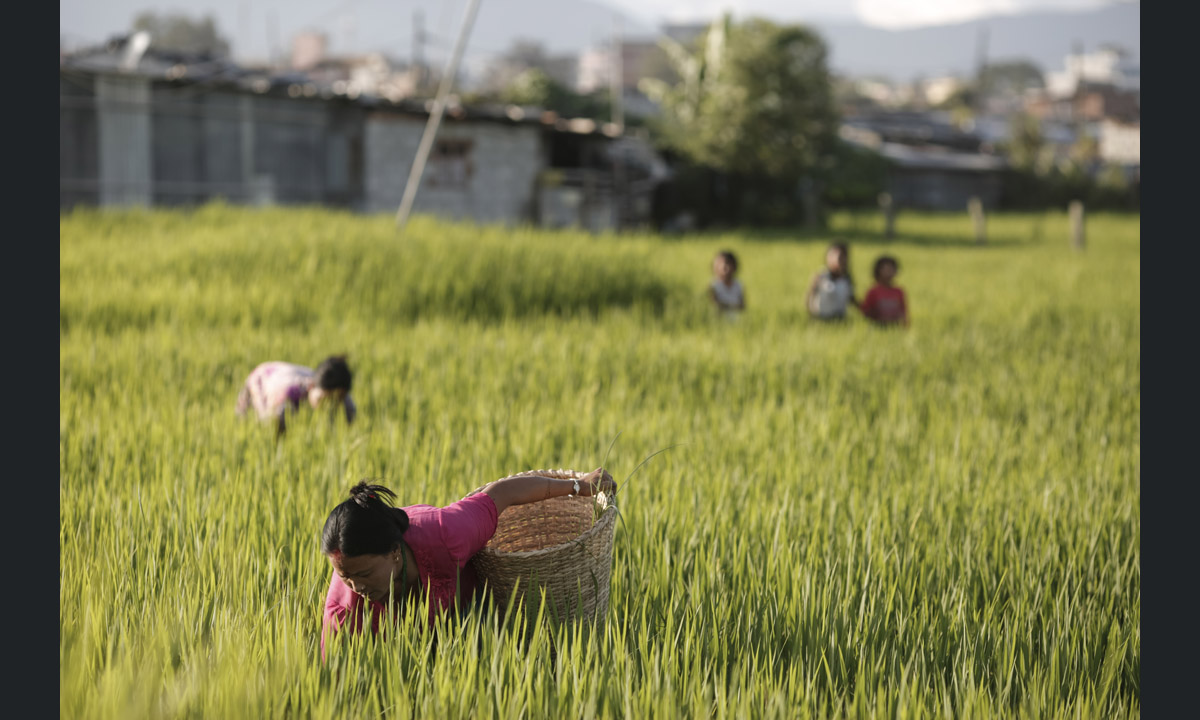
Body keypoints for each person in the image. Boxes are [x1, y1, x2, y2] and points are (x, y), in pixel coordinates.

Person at [320, 469, 617, 656]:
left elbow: (503, 494)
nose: (357, 586)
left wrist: (578, 486)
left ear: (394, 553)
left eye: (364, 574)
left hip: (466, 617)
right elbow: (336, 685)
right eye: (345, 578)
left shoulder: (447, 533)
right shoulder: (344, 613)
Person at [236, 355, 356, 437]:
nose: (330, 404)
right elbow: (273, 428)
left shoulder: (342, 396)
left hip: (288, 373)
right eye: (323, 399)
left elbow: (351, 424)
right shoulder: (288, 396)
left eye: (337, 400)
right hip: (261, 378)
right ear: (311, 386)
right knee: (251, 423)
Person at [805, 242, 858, 321]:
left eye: (844, 257)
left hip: (840, 319)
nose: (841, 260)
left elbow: (852, 299)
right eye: (838, 257)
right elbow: (809, 297)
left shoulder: (846, 279)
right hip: (822, 318)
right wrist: (812, 315)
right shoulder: (821, 276)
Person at [860, 255, 909, 327]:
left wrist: (905, 326)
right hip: (878, 326)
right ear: (878, 271)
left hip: (895, 327)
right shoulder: (873, 291)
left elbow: (903, 312)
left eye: (891, 269)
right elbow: (865, 311)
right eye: (886, 269)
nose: (889, 272)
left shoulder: (899, 292)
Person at [708, 250, 745, 316]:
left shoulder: (738, 284)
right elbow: (713, 305)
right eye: (720, 264)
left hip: (736, 320)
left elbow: (743, 305)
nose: (724, 267)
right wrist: (733, 306)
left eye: (728, 263)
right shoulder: (714, 285)